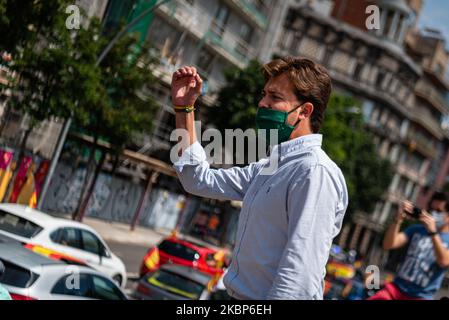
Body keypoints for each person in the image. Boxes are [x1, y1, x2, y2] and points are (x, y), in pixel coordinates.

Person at [171, 56, 348, 300]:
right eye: (264, 94)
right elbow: (196, 179)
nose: (262, 103)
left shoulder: (314, 172)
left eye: (275, 97)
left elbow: (298, 278)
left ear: (304, 111)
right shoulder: (270, 166)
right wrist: (184, 108)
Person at [369, 192, 449, 300]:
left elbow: (443, 261)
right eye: (432, 210)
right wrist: (398, 220)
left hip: (420, 296)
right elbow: (388, 244)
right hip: (395, 289)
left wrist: (433, 233)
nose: (433, 214)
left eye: (439, 211)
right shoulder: (416, 230)